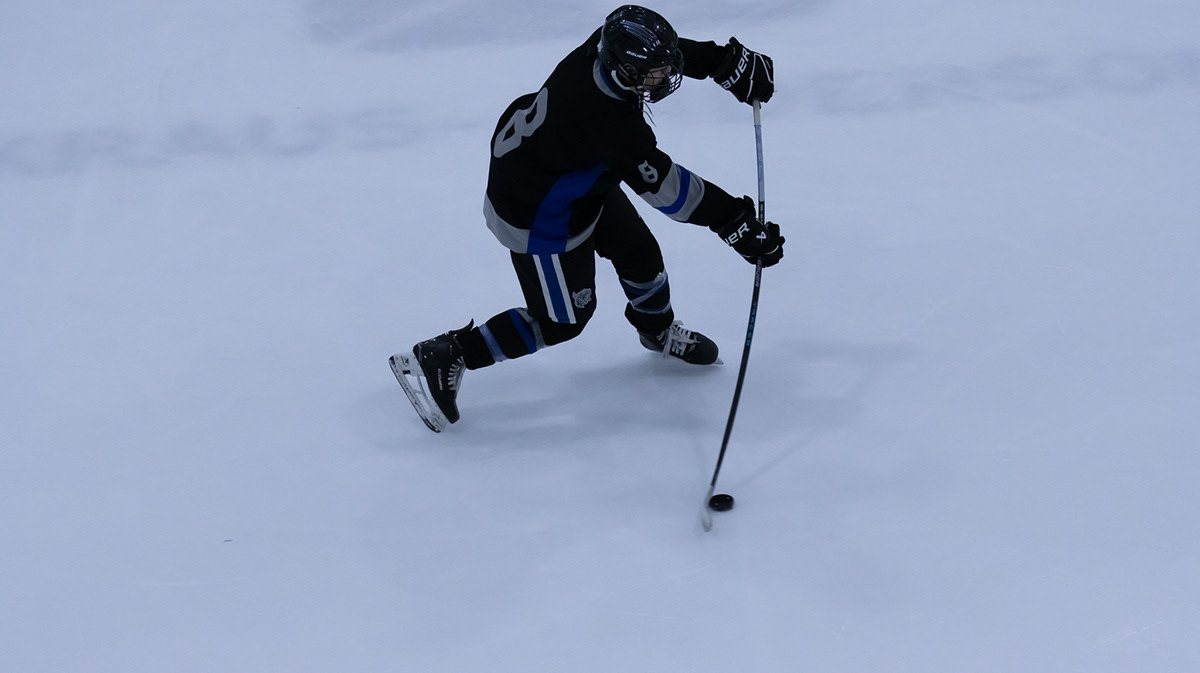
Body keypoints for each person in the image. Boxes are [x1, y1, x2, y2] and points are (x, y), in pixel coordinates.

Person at [390, 5, 785, 432]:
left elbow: (658, 57)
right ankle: (449, 353)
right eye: (655, 72)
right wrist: (733, 222)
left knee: (639, 252)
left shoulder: (605, 48)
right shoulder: (608, 124)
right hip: (539, 213)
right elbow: (670, 191)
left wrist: (722, 62)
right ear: (626, 71)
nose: (667, 75)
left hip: (571, 175)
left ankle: (657, 331)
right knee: (562, 321)